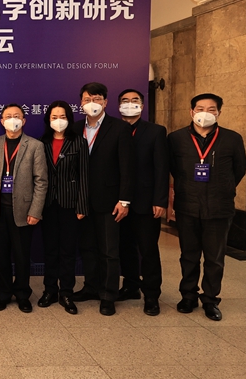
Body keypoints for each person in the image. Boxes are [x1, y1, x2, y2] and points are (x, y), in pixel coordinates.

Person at [168, 93, 246, 321]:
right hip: (188, 205)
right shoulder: (176, 138)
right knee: (189, 255)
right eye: (200, 109)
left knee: (215, 258)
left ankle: (211, 300)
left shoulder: (232, 138)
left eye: (211, 109)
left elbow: (239, 168)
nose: (205, 113)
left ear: (219, 113)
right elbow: (173, 168)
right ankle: (188, 296)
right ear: (191, 112)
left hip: (219, 207)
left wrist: (223, 188)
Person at [72, 82, 134, 316]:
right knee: (87, 247)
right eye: (87, 99)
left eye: (97, 99)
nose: (92, 103)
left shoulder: (119, 128)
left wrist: (124, 200)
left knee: (109, 250)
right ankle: (91, 287)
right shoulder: (75, 128)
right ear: (81, 103)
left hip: (109, 201)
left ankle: (108, 295)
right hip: (81, 201)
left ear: (106, 102)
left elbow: (127, 167)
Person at [0, 104, 48, 313]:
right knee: (1, 256)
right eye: (8, 116)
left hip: (23, 210)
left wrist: (35, 211)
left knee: (22, 256)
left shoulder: (35, 145)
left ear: (24, 120)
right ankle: (2, 294)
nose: (12, 119)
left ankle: (22, 294)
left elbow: (41, 181)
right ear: (1, 121)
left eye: (16, 116)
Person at [116, 89, 169, 316]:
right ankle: (130, 286)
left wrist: (160, 200)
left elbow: (161, 168)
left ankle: (152, 295)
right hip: (118, 203)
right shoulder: (113, 129)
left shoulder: (155, 131)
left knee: (148, 250)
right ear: (118, 106)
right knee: (124, 248)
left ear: (142, 105)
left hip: (146, 203)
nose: (130, 104)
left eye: (134, 100)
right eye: (125, 101)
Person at [37, 101, 88, 315]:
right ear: (48, 120)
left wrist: (82, 205)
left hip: (70, 204)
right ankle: (49, 290)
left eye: (62, 116)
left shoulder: (79, 142)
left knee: (67, 251)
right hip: (47, 204)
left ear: (69, 118)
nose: (58, 120)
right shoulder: (42, 143)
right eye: (54, 117)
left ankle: (66, 292)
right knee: (50, 250)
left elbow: (84, 175)